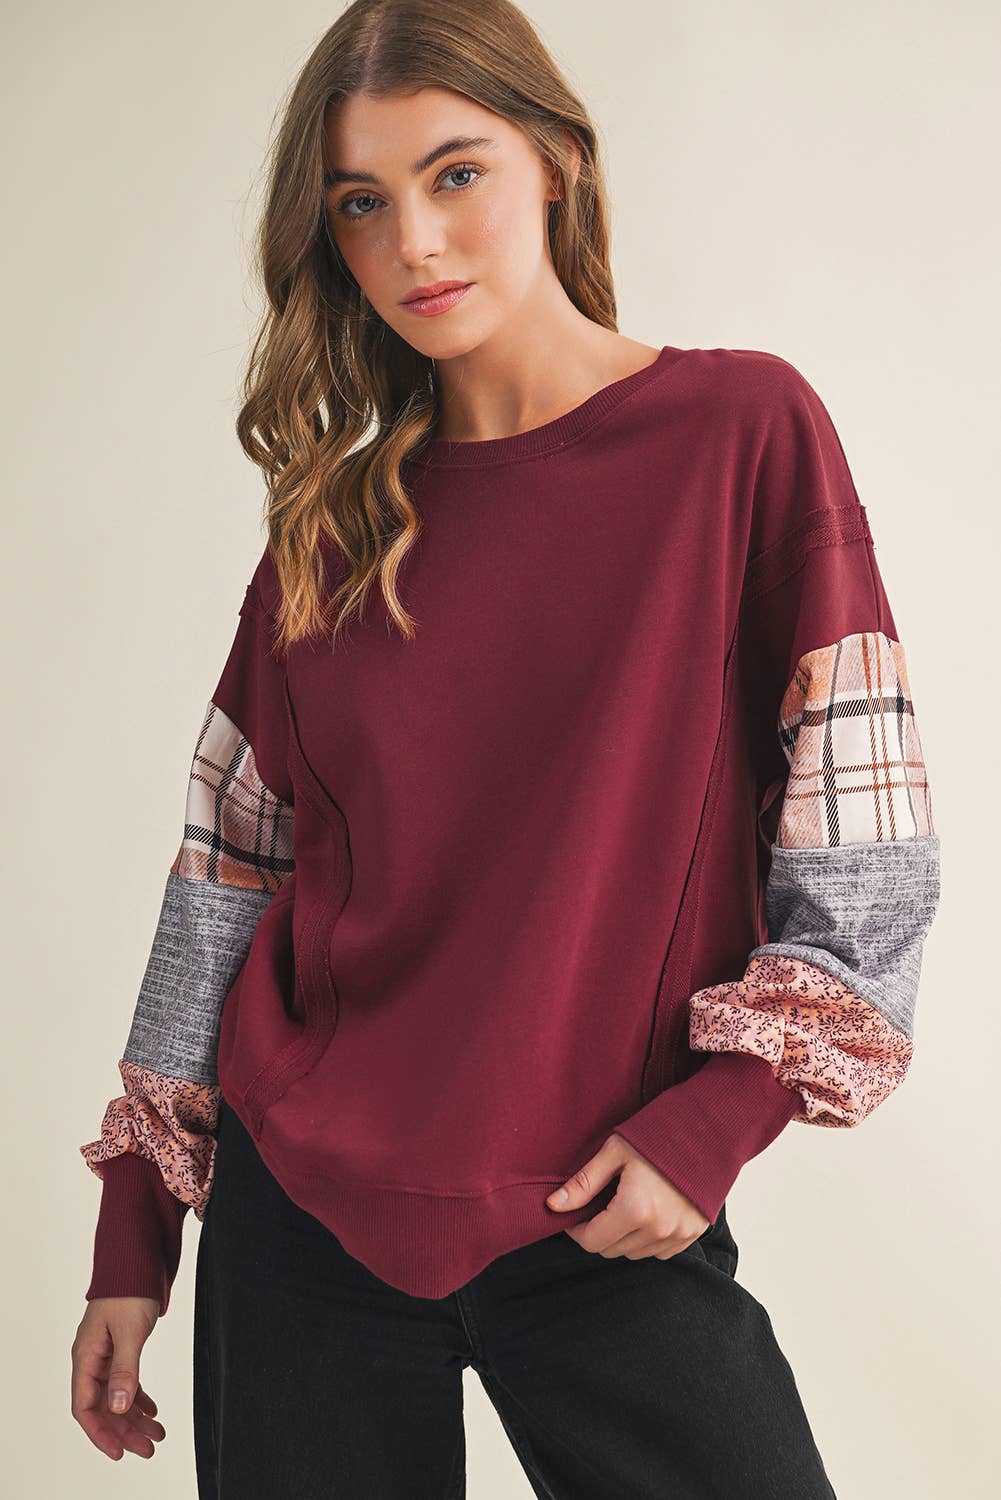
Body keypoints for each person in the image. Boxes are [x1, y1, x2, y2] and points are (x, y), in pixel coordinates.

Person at [70, 1, 941, 1494]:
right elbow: (227, 877)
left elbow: (862, 848)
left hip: (609, 1204)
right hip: (299, 1228)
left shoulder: (739, 433)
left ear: (556, 161)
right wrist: (134, 1229)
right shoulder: (329, 530)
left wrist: (718, 1121)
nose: (413, 240)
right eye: (361, 203)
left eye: (455, 173)